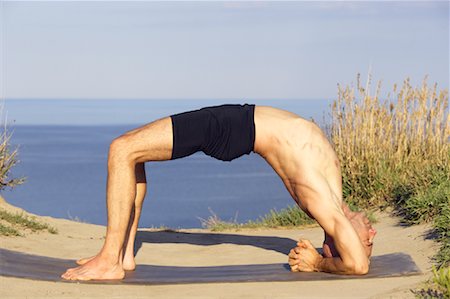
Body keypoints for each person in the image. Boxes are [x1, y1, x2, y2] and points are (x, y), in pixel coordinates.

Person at [61, 104, 376, 281]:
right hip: (237, 123)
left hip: (231, 128)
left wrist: (318, 263)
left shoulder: (321, 201)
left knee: (122, 149)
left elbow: (358, 265)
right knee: (132, 151)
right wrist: (330, 253)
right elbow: (354, 255)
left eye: (366, 240)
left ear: (338, 239)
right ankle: (123, 254)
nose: (372, 231)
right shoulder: (333, 191)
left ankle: (109, 260)